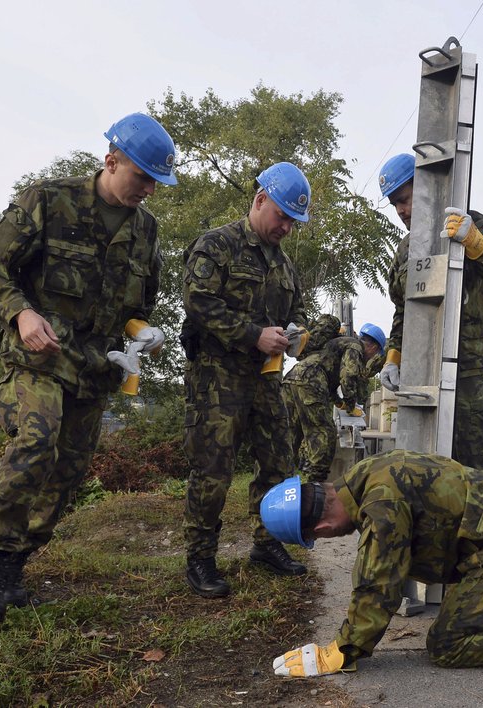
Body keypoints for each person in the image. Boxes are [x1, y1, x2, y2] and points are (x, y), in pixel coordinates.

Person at [0, 112, 177, 622]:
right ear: (111, 160)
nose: (148, 189)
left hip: (95, 370)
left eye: (155, 181)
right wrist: (22, 313)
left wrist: (143, 336)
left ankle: (15, 568)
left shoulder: (146, 231)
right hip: (39, 358)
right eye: (142, 176)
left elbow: (138, 309)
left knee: (69, 472)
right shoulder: (48, 200)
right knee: (36, 441)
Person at [261, 450, 483, 675]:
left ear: (322, 528)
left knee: (448, 643)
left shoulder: (379, 506)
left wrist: (343, 650)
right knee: (461, 618)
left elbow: (378, 583)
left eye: (317, 538)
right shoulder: (365, 474)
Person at [180, 161, 313, 598]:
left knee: (279, 462)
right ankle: (201, 558)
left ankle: (267, 543)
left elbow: (291, 314)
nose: (287, 229)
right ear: (260, 200)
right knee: (213, 470)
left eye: (294, 223)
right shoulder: (217, 245)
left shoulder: (285, 265)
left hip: (266, 382)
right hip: (217, 379)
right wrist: (253, 334)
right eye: (283, 218)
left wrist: (293, 334)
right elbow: (198, 302)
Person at [376, 154, 483, 474]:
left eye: (405, 200)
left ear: (426, 187)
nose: (401, 211)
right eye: (395, 204)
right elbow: (403, 308)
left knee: (476, 469)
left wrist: (476, 244)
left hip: (472, 374)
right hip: (423, 374)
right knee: (425, 470)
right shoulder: (405, 249)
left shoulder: (471, 222)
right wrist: (393, 356)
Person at [283, 320, 386, 483]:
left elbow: (330, 377)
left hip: (292, 378)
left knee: (290, 433)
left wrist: (339, 403)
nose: (372, 357)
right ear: (373, 347)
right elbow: (348, 376)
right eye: (375, 354)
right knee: (324, 432)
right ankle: (315, 483)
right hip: (311, 380)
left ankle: (280, 478)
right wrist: (351, 406)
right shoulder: (355, 347)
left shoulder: (339, 343)